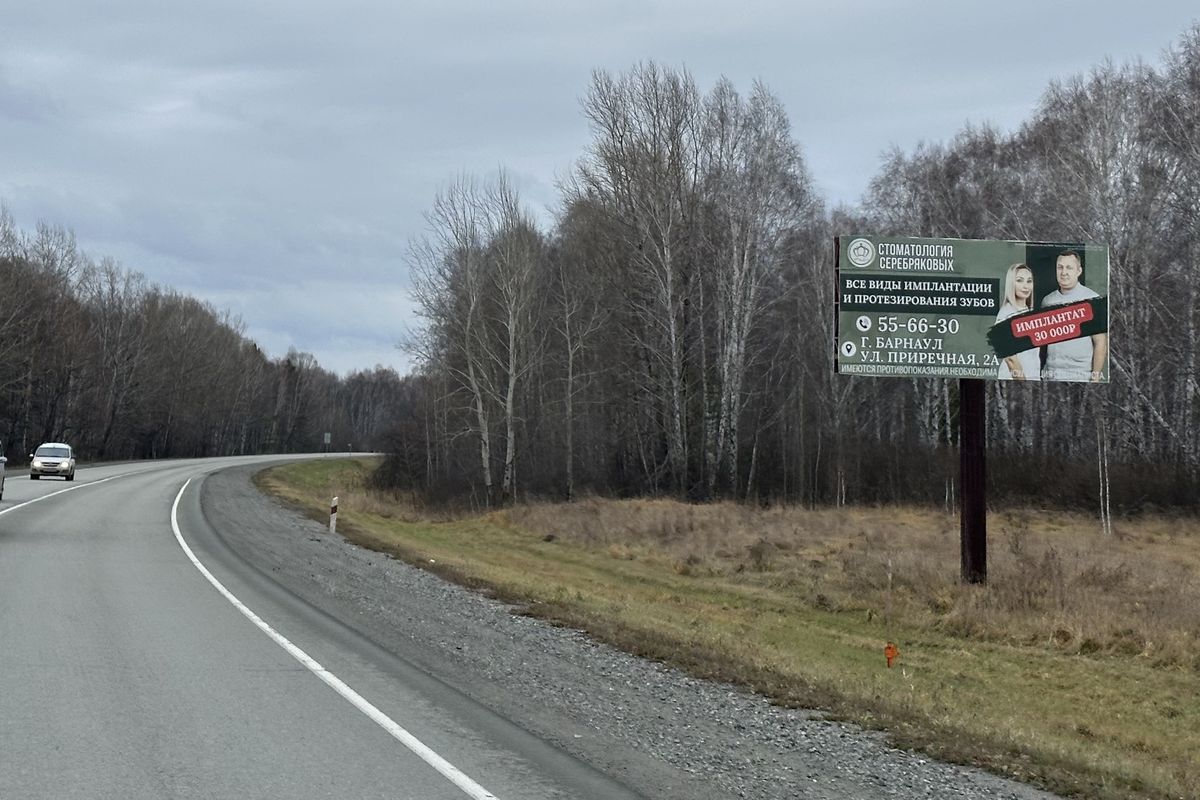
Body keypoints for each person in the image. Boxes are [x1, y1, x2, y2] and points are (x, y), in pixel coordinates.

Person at [1041, 249, 1108, 382]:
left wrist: (1095, 380)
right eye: (1060, 267)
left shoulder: (1092, 299)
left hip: (1080, 376)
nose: (1063, 272)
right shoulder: (1047, 301)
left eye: (1069, 268)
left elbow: (1100, 343)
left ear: (1079, 271)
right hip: (1050, 375)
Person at [995, 263, 1040, 381]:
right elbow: (1010, 359)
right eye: (1020, 281)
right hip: (1014, 382)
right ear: (1011, 284)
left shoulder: (1030, 313)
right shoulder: (1006, 313)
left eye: (1029, 281)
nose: (1026, 286)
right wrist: (1024, 385)